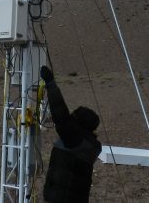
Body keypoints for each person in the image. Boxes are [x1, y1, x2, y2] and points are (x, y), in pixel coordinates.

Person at [40, 65, 102, 203]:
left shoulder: (76, 141)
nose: (71, 118)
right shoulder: (86, 143)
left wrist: (51, 84)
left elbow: (60, 114)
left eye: (74, 117)